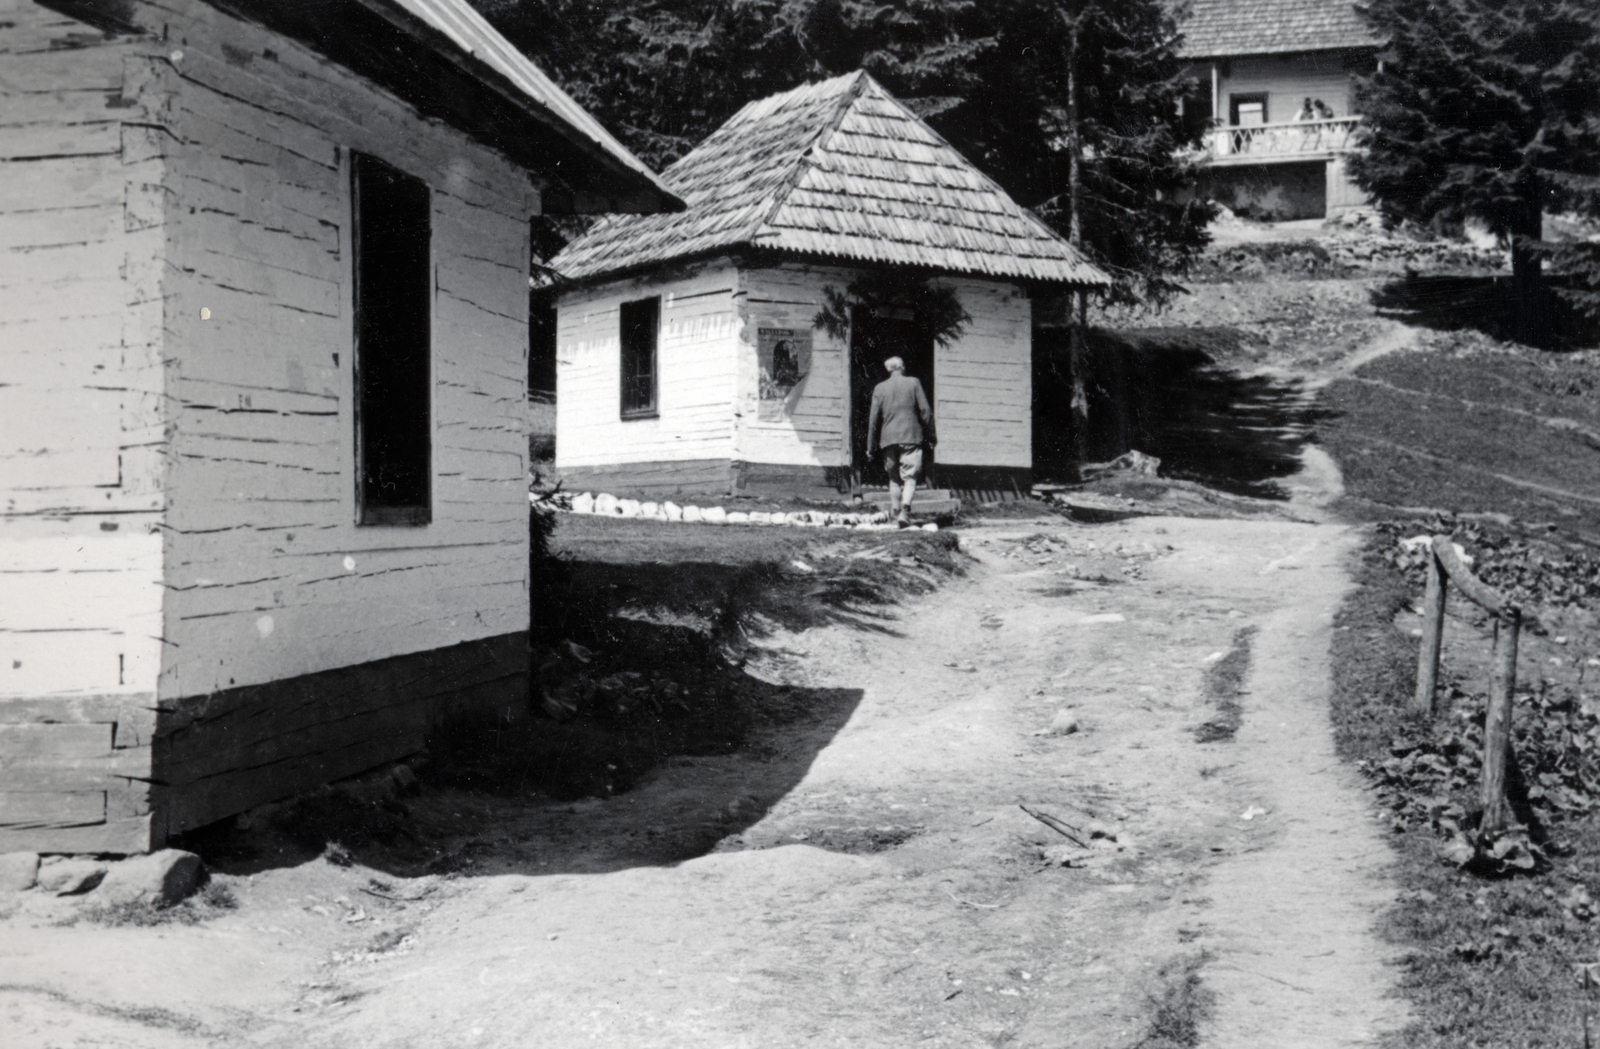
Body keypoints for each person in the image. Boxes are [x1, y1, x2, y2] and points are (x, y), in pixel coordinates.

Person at [865, 356, 935, 528]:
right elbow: (925, 411)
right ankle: (904, 511)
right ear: (902, 366)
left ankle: (895, 512)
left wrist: (870, 447)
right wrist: (931, 436)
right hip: (911, 436)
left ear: (888, 370)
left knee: (894, 477)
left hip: (888, 439)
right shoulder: (914, 383)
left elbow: (873, 420)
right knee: (910, 477)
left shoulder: (880, 388)